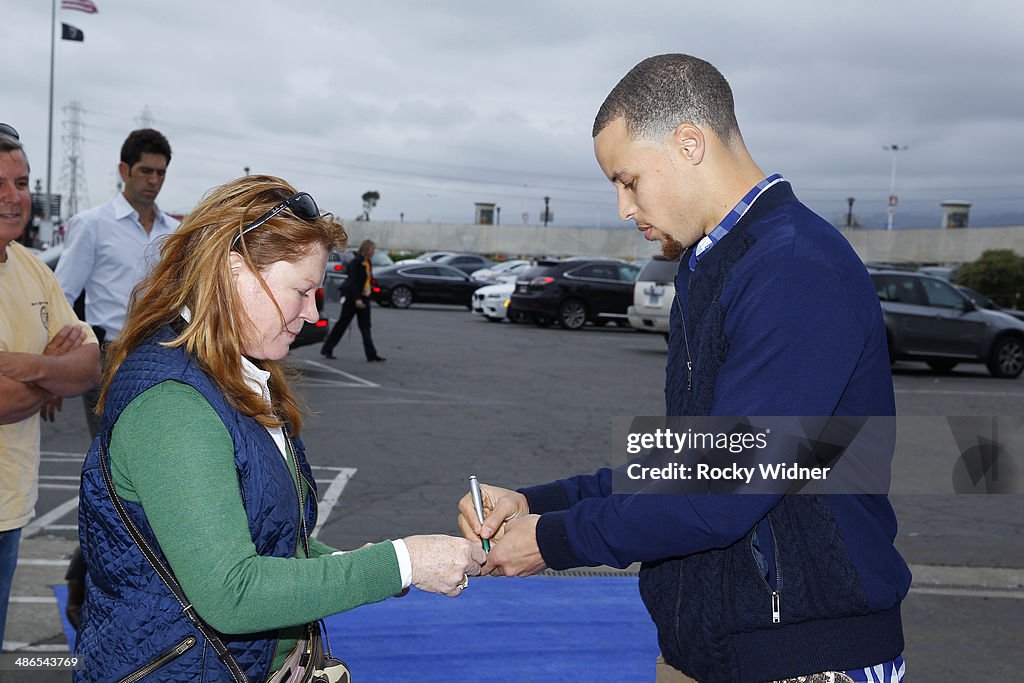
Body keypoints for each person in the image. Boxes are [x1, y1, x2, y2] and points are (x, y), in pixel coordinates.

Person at [459, 55, 910, 683]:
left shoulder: (794, 268)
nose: (622, 206)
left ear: (690, 143)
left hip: (801, 655)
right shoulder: (711, 264)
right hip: (710, 647)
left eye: (628, 179)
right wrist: (539, 502)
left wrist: (551, 538)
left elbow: (720, 489)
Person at [74, 175, 484, 682]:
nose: (314, 314)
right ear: (232, 270)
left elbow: (264, 540)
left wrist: (364, 564)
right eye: (303, 291)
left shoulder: (232, 373)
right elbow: (232, 593)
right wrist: (402, 563)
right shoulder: (174, 406)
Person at [0, 129, 100, 648]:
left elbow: (88, 365)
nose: (12, 196)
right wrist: (49, 375)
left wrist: (25, 366)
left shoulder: (31, 268)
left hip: (10, 506)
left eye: (21, 182)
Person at [55, 128, 180, 438]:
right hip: (109, 356)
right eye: (146, 171)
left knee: (154, 453)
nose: (154, 180)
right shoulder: (92, 225)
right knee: (109, 456)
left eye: (161, 173)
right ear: (124, 170)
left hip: (162, 355)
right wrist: (54, 368)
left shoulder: (174, 232)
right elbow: (60, 296)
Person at [320, 238, 385, 362]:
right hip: (353, 299)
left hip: (364, 297)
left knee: (365, 327)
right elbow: (354, 282)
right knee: (342, 324)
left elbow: (367, 280)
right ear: (366, 249)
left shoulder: (368, 263)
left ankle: (371, 354)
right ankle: (327, 348)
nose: (373, 252)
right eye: (372, 249)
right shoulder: (356, 262)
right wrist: (357, 299)